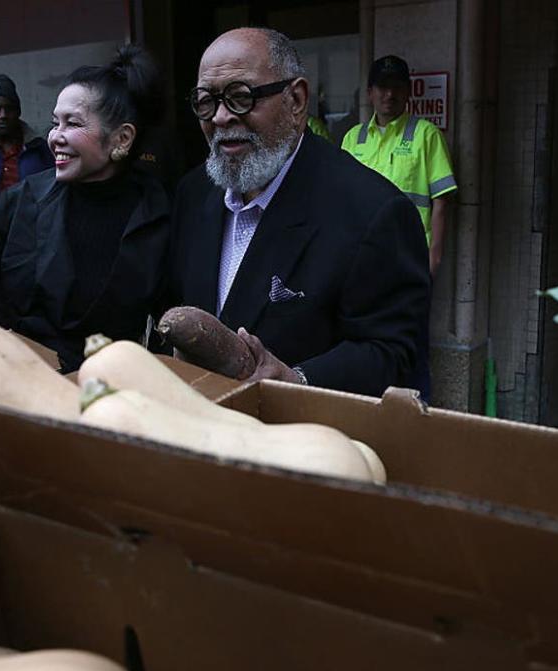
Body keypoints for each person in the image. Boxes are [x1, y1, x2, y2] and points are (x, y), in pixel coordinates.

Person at [162, 28, 429, 398]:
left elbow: (392, 352)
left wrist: (298, 380)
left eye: (241, 97)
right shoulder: (193, 195)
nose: (221, 117)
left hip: (308, 441)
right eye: (206, 102)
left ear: (296, 100)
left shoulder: (374, 212)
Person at [0, 46, 169, 371]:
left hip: (115, 395)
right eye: (54, 123)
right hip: (24, 383)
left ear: (121, 139)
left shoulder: (159, 214)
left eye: (72, 124)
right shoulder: (23, 201)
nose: (54, 137)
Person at [342, 55, 457, 276]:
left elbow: (441, 202)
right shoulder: (353, 138)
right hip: (359, 255)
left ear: (408, 91)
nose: (389, 94)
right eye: (382, 87)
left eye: (397, 87)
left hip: (408, 256)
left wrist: (434, 258)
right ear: (370, 93)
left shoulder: (426, 134)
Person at [0, 74, 57, 232]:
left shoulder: (39, 148)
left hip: (30, 236)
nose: (2, 115)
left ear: (18, 111)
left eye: (9, 109)